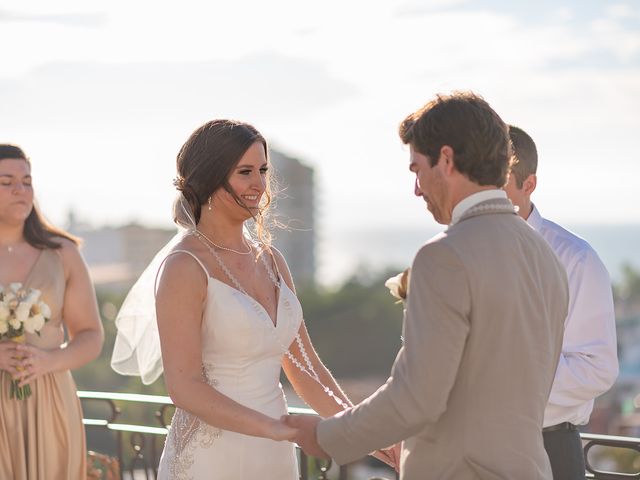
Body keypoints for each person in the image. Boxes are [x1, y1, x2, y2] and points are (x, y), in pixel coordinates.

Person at [286, 92, 570, 479]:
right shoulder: (546, 256)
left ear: (447, 160)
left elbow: (417, 398)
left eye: (417, 169)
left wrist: (326, 435)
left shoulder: (445, 257)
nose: (417, 188)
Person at [111, 119, 395, 479]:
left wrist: (362, 432)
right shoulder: (185, 266)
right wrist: (276, 428)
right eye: (245, 172)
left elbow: (307, 370)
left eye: (263, 170)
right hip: (211, 457)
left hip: (275, 455)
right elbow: (185, 388)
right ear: (210, 177)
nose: (259, 184)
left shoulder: (272, 260)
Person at [505, 125, 619, 479]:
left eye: (497, 183)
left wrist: (501, 382)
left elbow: (596, 367)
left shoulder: (575, 259)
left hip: (548, 450)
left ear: (529, 185)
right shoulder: (459, 253)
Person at [0, 144, 104, 479]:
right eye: (6, 181)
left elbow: (90, 335)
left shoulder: (62, 253)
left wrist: (49, 361)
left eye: (27, 180)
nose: (21, 189)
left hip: (50, 401)